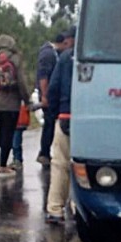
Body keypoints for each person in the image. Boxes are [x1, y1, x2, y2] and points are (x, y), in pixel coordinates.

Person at [0, 34, 29, 177]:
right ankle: (3, 166)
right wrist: (27, 100)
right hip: (10, 103)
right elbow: (21, 81)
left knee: (0, 132)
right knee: (8, 134)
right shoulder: (15, 59)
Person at [45, 28, 75, 224]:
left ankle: (55, 209)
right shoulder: (97, 56)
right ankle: (78, 206)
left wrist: (55, 114)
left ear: (71, 39)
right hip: (91, 118)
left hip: (66, 116)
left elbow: (53, 87)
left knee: (60, 164)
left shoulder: (65, 58)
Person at [36, 29, 74, 166]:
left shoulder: (56, 54)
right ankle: (44, 153)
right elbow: (43, 76)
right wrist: (45, 97)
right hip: (50, 97)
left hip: (53, 96)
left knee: (51, 124)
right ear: (64, 42)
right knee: (49, 125)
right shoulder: (48, 54)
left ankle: (46, 153)